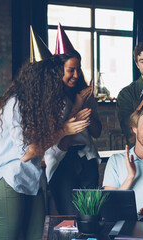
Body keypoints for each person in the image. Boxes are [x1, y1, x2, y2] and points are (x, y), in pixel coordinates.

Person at [0, 57, 89, 240]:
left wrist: (73, 114)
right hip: (9, 178)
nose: (58, 88)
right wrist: (64, 130)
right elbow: (27, 153)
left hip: (31, 178)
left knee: (37, 235)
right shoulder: (15, 105)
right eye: (55, 83)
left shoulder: (39, 107)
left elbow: (54, 146)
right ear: (43, 84)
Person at [44, 23, 102, 215]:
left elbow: (96, 132)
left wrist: (87, 109)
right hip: (62, 161)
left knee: (91, 214)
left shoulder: (84, 93)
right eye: (71, 70)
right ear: (58, 70)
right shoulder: (48, 98)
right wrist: (76, 106)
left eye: (78, 69)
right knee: (69, 216)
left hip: (87, 159)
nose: (76, 75)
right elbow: (59, 140)